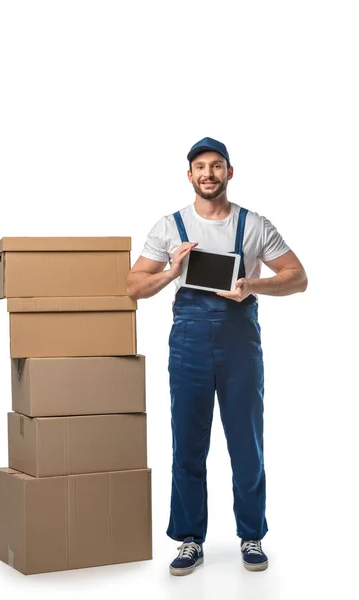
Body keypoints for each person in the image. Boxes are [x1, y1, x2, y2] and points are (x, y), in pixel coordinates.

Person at [126, 137, 308, 576]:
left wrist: (252, 284)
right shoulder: (169, 227)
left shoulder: (254, 225)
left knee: (247, 443)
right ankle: (190, 539)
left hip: (240, 343)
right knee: (188, 442)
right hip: (188, 342)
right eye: (200, 167)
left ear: (229, 172)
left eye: (217, 166)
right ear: (189, 176)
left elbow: (298, 277)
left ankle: (251, 535)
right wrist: (172, 270)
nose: (208, 173)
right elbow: (133, 287)